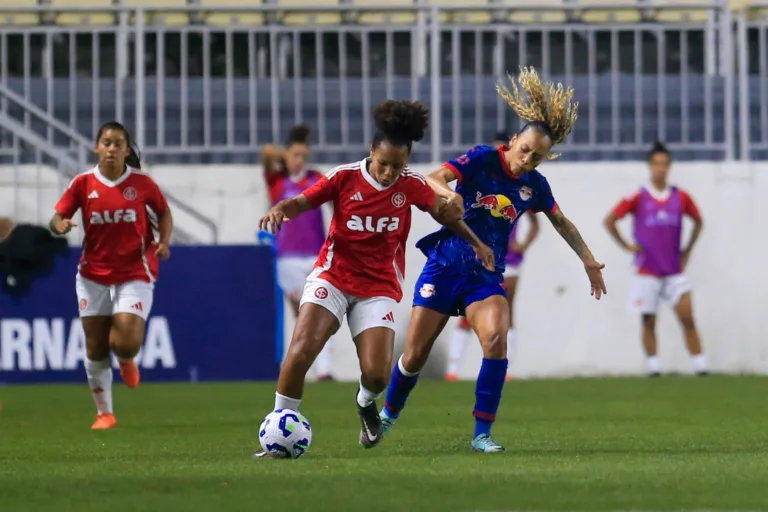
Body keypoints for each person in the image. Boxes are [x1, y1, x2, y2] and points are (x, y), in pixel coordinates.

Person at [380, 67, 607, 453]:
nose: (527, 161)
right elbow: (434, 176)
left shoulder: (533, 184)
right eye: (524, 151)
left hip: (485, 275)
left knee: (496, 338)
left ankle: (482, 434)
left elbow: (560, 222)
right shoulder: (483, 159)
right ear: (514, 140)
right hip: (445, 264)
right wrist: (447, 195)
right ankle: (387, 414)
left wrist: (588, 260)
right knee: (415, 355)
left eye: (536, 158)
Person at [254, 100, 493, 455]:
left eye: (397, 166)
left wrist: (474, 240)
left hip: (378, 287)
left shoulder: (410, 184)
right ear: (371, 153)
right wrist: (278, 209)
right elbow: (302, 202)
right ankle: (279, 424)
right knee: (302, 349)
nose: (388, 173)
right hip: (333, 277)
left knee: (378, 374)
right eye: (383, 164)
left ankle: (366, 402)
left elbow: (442, 213)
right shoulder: (343, 177)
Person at [50, 121, 173, 430]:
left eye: (118, 143)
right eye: (106, 142)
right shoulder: (82, 183)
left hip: (134, 274)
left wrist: (164, 241)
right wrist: (59, 225)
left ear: (126, 150)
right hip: (92, 276)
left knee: (126, 343)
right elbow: (57, 216)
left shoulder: (142, 184)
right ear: (97, 147)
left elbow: (164, 212)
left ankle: (127, 359)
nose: (112, 149)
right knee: (95, 345)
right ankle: (105, 413)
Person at [604, 141, 707, 377]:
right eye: (657, 164)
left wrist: (688, 250)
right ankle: (654, 367)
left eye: (665, 164)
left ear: (669, 167)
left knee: (687, 318)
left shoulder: (680, 197)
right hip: (646, 271)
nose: (661, 168)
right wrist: (627, 246)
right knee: (648, 321)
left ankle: (701, 366)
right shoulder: (638, 198)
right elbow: (610, 221)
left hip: (673, 271)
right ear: (650, 166)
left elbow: (699, 221)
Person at [445, 132, 540, 382]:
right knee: (469, 310)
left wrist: (523, 244)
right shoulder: (479, 181)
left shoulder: (520, 186)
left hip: (509, 259)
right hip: (477, 256)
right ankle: (453, 369)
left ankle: (503, 367)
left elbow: (535, 222)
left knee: (506, 310)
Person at [262, 125, 334, 381]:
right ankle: (299, 365)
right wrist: (285, 154)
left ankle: (322, 368)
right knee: (302, 312)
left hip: (317, 254)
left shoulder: (316, 178)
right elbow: (266, 153)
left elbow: (336, 200)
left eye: (302, 156)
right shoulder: (278, 182)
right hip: (288, 257)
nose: (298, 161)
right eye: (294, 155)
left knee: (320, 311)